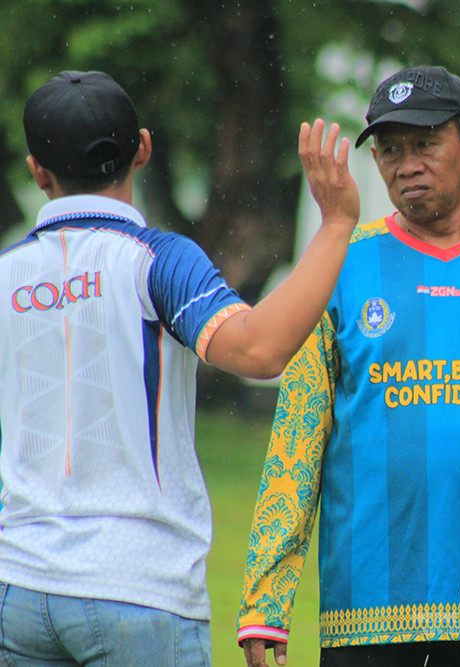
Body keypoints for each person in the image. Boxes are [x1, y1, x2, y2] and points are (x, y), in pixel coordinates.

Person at [0, 70, 359, 665]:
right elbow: (260, 350)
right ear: (142, 147)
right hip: (136, 589)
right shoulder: (157, 260)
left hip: (16, 590)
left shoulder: (8, 272)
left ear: (38, 171)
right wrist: (337, 225)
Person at [237, 66, 460, 667]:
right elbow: (296, 440)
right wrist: (266, 600)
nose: (405, 164)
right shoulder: (339, 268)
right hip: (368, 616)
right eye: (390, 150)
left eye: (424, 144)